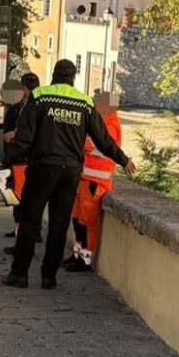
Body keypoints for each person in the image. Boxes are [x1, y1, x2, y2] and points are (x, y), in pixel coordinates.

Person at [2, 59, 136, 290]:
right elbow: (104, 139)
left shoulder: (40, 96)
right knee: (59, 224)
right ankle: (48, 277)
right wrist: (123, 160)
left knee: (30, 220)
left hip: (43, 167)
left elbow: (24, 136)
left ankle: (19, 274)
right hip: (71, 172)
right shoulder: (84, 102)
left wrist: (9, 161)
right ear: (73, 77)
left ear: (54, 74)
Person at [65, 91, 122, 272]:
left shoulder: (110, 125)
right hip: (85, 178)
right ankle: (77, 254)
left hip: (95, 181)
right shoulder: (101, 122)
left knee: (87, 222)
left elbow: (92, 145)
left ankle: (86, 258)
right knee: (77, 219)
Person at [2, 72, 40, 241]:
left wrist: (14, 135)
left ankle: (26, 232)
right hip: (19, 156)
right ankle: (19, 228)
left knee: (23, 197)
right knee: (18, 195)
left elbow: (31, 131)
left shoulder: (35, 105)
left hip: (24, 158)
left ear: (24, 88)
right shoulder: (23, 104)